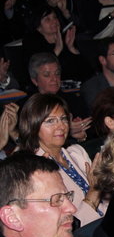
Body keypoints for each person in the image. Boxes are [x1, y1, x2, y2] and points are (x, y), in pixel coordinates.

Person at [18, 93, 106, 227]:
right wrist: (94, 191)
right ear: (33, 125)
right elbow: (65, 226)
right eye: (50, 121)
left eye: (63, 119)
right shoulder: (36, 170)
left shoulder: (76, 152)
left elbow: (105, 203)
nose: (61, 126)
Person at [28, 52, 92, 141]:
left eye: (57, 73)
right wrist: (67, 130)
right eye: (47, 75)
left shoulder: (74, 100)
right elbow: (31, 138)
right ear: (35, 80)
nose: (54, 79)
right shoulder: (28, 106)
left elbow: (91, 130)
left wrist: (82, 135)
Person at [22, 5, 92, 82]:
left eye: (55, 17)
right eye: (48, 19)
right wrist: (57, 49)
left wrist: (72, 48)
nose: (54, 21)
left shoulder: (65, 37)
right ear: (38, 25)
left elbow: (88, 71)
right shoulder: (31, 41)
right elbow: (38, 71)